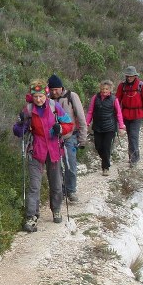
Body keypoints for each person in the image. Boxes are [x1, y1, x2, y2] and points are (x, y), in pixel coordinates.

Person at [12, 79, 69, 231]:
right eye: (35, 96)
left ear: (46, 95)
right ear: (32, 96)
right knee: (34, 186)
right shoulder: (28, 110)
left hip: (54, 150)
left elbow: (68, 123)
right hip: (36, 151)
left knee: (56, 183)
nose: (38, 99)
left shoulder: (54, 106)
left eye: (41, 96)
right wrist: (21, 124)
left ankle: (56, 210)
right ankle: (31, 216)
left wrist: (60, 129)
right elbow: (18, 132)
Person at [48, 74, 87, 202]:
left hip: (69, 136)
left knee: (70, 163)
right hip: (53, 139)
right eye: (52, 89)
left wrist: (82, 138)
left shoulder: (71, 96)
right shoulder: (48, 100)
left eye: (56, 89)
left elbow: (81, 117)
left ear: (61, 87)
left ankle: (71, 190)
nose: (54, 92)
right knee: (56, 167)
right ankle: (60, 190)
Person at [85, 80, 125, 176]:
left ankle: (105, 168)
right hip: (98, 126)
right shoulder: (95, 98)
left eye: (106, 89)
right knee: (98, 146)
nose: (104, 91)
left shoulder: (114, 99)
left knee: (106, 147)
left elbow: (119, 114)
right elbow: (90, 111)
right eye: (102, 88)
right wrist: (86, 124)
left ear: (110, 89)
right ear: (100, 89)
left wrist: (121, 126)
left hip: (110, 127)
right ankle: (106, 160)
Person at [115, 66, 143, 166]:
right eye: (127, 76)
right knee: (130, 136)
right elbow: (117, 101)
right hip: (125, 114)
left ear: (135, 76)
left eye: (131, 76)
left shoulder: (141, 86)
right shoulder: (122, 86)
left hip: (137, 115)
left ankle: (134, 159)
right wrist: (116, 115)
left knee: (133, 136)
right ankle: (133, 156)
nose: (129, 78)